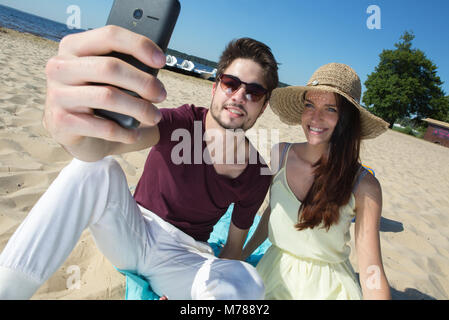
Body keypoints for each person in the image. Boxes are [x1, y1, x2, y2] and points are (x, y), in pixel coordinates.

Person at [0, 26, 279, 299]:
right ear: (216, 87)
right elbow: (105, 144)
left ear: (263, 105)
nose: (239, 96)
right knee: (95, 167)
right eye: (231, 83)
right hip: (134, 231)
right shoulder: (181, 121)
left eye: (254, 92)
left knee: (247, 282)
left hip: (186, 258)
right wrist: (67, 130)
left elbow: (232, 250)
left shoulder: (256, 174)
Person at [242, 63, 392, 299]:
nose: (315, 117)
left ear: (347, 119)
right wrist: (242, 254)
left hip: (328, 288)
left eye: (330, 109)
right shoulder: (279, 154)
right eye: (309, 105)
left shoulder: (364, 184)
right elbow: (272, 211)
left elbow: (371, 268)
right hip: (272, 272)